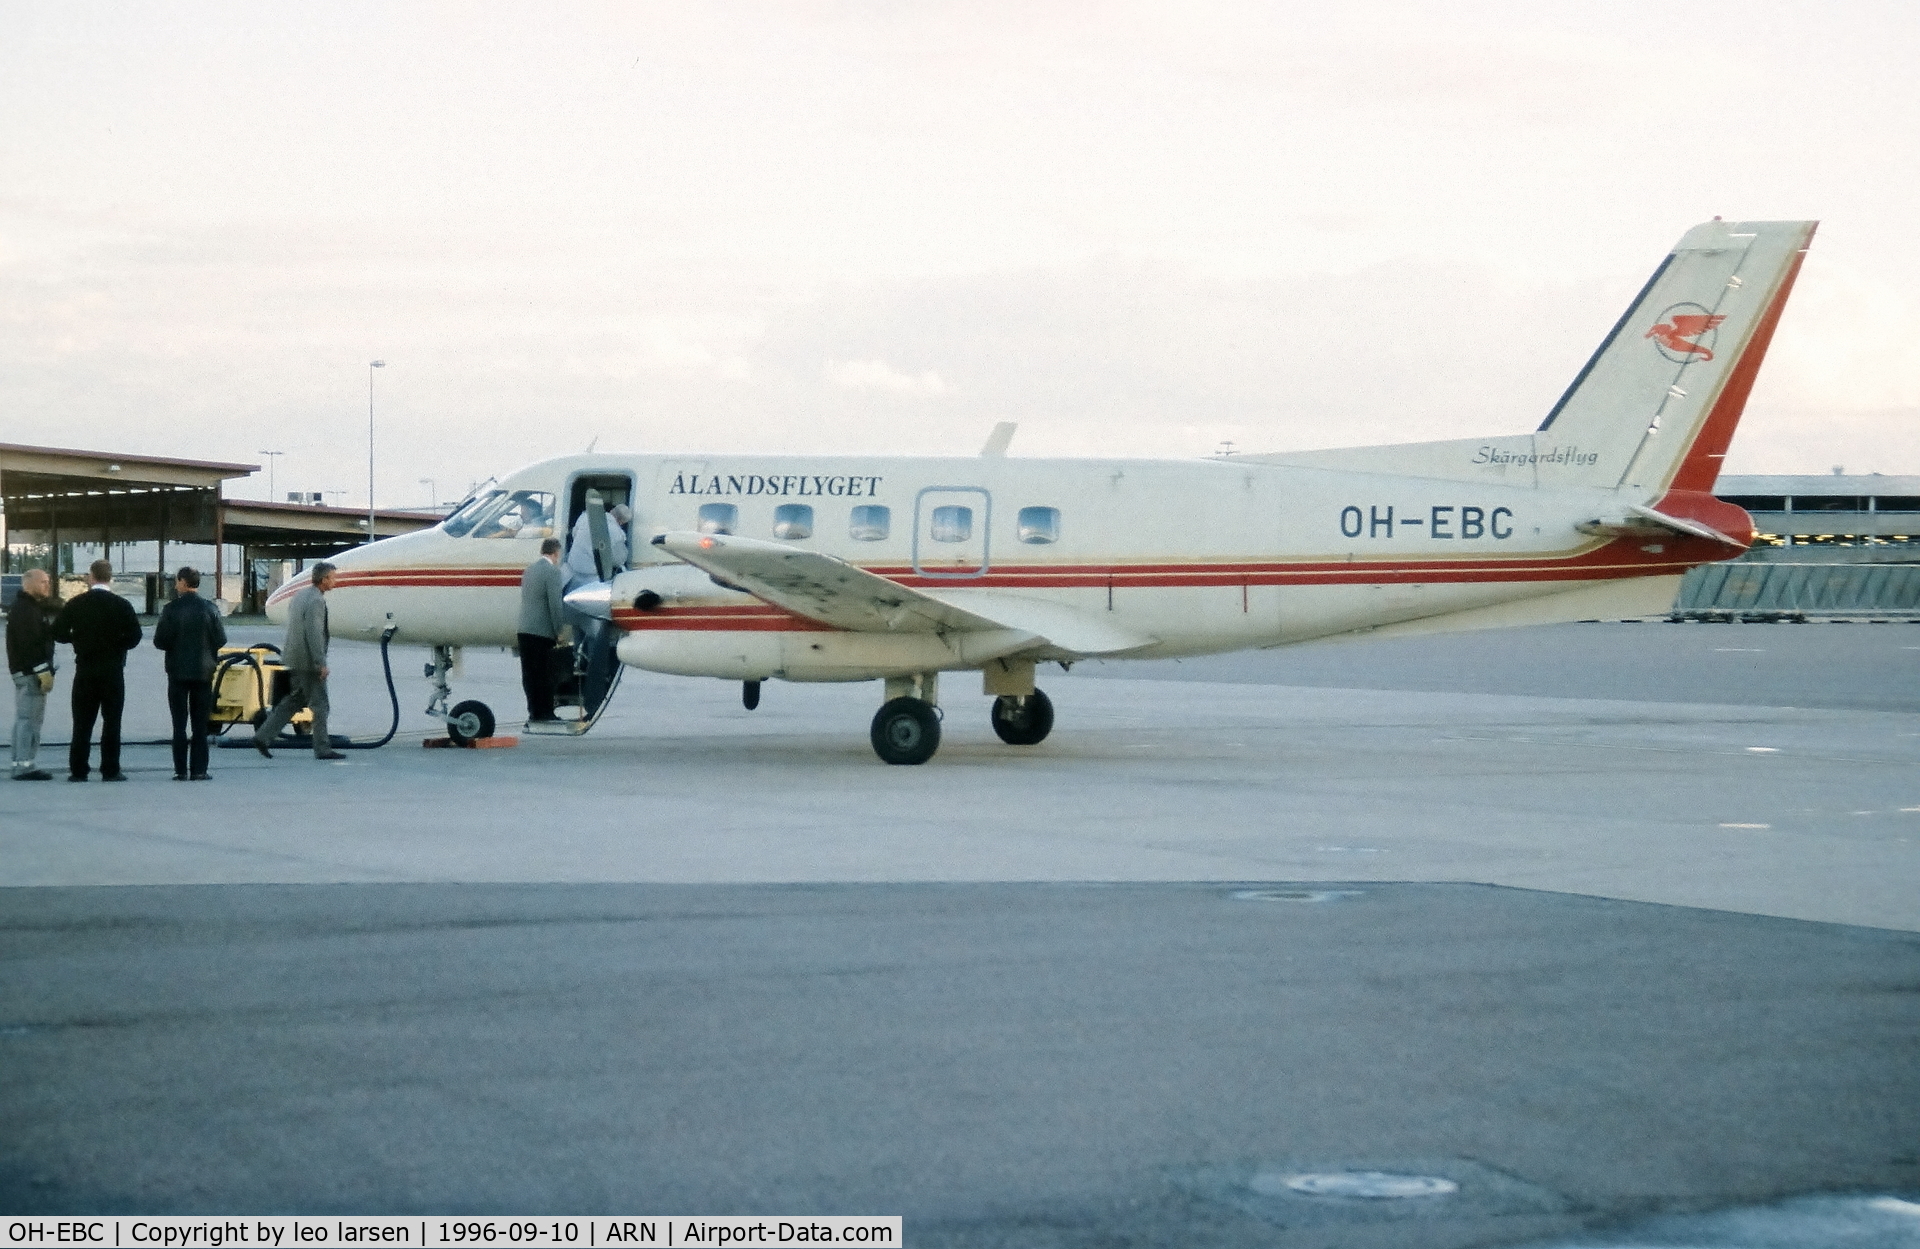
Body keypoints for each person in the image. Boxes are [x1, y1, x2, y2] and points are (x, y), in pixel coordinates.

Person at [50, 559, 143, 782]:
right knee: (112, 721)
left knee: (82, 722)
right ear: (109, 577)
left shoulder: (76, 603)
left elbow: (57, 632)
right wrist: (118, 645)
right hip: (112, 670)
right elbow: (135, 636)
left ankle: (79, 770)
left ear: (91, 576)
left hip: (85, 669)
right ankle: (110, 769)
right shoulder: (122, 605)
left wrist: (76, 640)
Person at [253, 561, 343, 761]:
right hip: (308, 661)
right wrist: (320, 663)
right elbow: (314, 634)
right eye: (333, 577)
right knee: (320, 706)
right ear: (324, 579)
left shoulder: (301, 595)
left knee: (294, 700)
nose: (335, 581)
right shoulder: (316, 601)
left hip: (294, 657)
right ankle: (322, 748)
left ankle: (263, 736)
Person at [153, 566, 227, 780]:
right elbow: (220, 639)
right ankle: (199, 770)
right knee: (200, 725)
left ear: (183, 582)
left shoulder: (171, 609)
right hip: (204, 673)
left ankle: (180, 770)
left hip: (177, 672)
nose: (175, 585)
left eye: (177, 581)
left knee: (179, 724)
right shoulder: (210, 608)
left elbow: (160, 641)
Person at [7, 567, 59, 781]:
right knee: (29, 720)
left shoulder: (26, 608)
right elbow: (31, 645)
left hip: (24, 671)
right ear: (28, 584)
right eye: (43, 582)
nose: (47, 585)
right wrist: (43, 672)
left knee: (24, 719)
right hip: (31, 673)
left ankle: (20, 762)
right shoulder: (27, 611)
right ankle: (25, 766)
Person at [518, 537, 567, 722]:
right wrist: (559, 630)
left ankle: (534, 711)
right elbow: (555, 604)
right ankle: (546, 712)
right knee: (545, 675)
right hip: (542, 631)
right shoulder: (552, 572)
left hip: (524, 628)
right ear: (555, 553)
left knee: (529, 675)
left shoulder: (529, 570)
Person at [565, 503, 630, 589]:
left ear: (611, 511)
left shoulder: (585, 516)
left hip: (573, 570)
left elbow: (574, 534)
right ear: (621, 522)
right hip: (591, 578)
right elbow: (618, 560)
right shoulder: (617, 532)